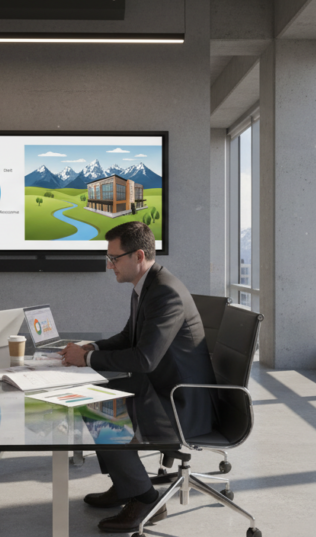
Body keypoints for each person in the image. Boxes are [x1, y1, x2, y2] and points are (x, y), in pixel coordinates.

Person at [59, 221, 216, 533]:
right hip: (162, 387)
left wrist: (87, 358)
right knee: (95, 395)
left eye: (114, 258)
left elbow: (145, 358)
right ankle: (126, 484)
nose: (109, 265)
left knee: (96, 405)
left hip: (180, 403)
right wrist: (92, 347)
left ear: (139, 255)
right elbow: (130, 337)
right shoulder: (148, 285)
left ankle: (145, 498)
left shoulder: (165, 293)